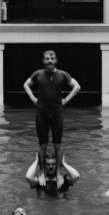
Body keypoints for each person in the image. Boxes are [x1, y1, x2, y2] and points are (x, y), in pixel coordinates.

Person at [23, 50, 81, 189]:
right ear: (43, 61)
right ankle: (42, 172)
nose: (50, 60)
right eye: (47, 58)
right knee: (42, 144)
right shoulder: (38, 74)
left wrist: (66, 99)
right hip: (41, 111)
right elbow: (26, 85)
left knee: (57, 144)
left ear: (56, 60)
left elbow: (77, 86)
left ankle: (59, 173)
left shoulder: (62, 74)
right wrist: (32, 98)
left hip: (57, 112)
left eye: (52, 58)